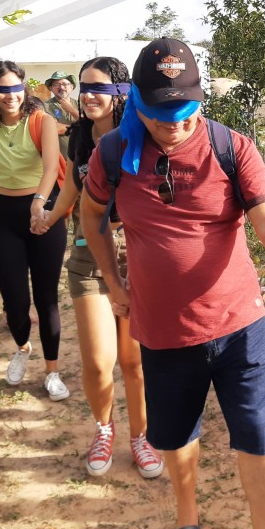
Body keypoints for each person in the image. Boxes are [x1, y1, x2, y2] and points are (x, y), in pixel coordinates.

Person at [80, 38, 265, 529]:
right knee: (174, 437)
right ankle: (187, 519)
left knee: (257, 437)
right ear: (137, 103)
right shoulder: (112, 152)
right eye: (159, 111)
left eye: (185, 108)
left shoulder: (231, 146)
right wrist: (112, 282)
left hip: (240, 327)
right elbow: (91, 217)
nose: (174, 122)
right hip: (163, 333)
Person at [34, 56, 163, 479]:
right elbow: (72, 185)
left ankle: (140, 437)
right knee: (97, 361)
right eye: (83, 86)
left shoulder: (143, 135)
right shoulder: (83, 138)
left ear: (121, 93)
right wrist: (48, 217)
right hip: (90, 257)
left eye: (99, 87)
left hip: (139, 258)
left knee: (134, 363)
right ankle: (104, 429)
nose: (88, 95)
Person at [0, 60, 70, 402]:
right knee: (15, 302)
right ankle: (22, 347)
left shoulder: (42, 120)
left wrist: (39, 203)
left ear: (24, 87)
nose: (10, 95)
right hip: (3, 214)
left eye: (15, 87)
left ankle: (52, 371)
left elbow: (50, 166)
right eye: (1, 89)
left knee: (47, 299)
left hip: (43, 212)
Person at [42, 70, 80, 160]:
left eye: (65, 84)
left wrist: (70, 109)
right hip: (58, 160)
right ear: (51, 88)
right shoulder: (45, 106)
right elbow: (54, 128)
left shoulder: (81, 104)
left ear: (72, 87)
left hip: (80, 158)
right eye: (56, 84)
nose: (61, 87)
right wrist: (80, 127)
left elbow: (90, 123)